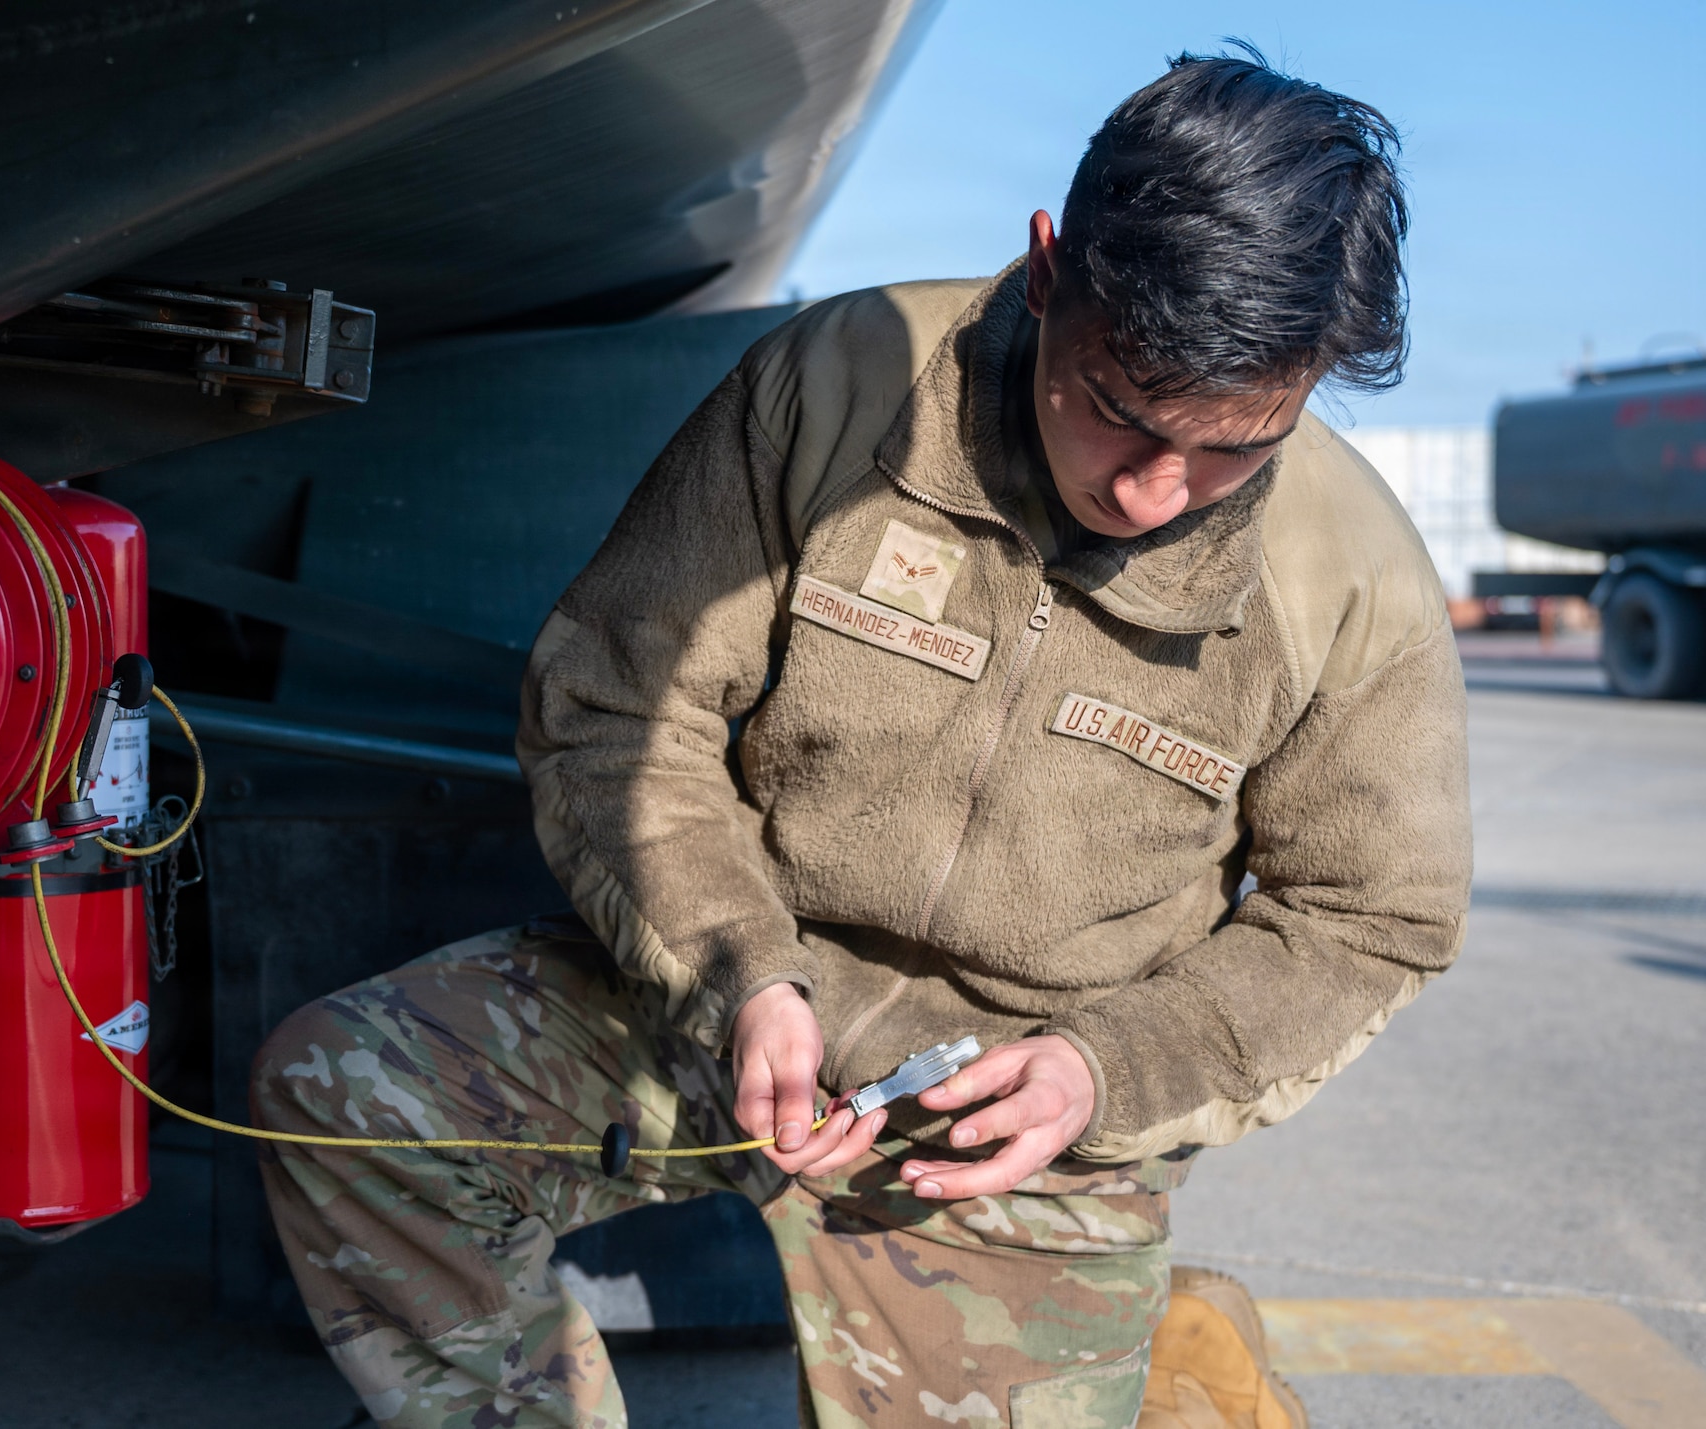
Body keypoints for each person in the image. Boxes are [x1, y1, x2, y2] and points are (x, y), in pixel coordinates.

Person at [250, 48, 1469, 1429]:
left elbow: (1373, 918)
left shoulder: (1350, 577)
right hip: (730, 1008)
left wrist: (1105, 1071)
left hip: (1017, 1130)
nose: (1151, 489)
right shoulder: (835, 394)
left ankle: (1159, 1366)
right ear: (1051, 268)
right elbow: (615, 707)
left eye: (1231, 450)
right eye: (1118, 409)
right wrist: (740, 972)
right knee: (350, 1091)